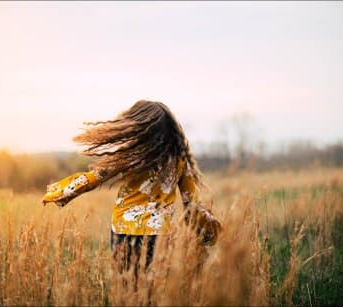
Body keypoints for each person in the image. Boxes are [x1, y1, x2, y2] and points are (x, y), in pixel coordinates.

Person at [41, 100, 221, 273]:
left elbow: (92, 179)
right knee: (153, 290)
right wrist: (208, 232)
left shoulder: (131, 155)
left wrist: (56, 193)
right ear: (171, 130)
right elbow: (192, 203)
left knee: (126, 287)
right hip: (158, 234)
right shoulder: (179, 159)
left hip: (124, 231)